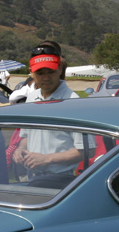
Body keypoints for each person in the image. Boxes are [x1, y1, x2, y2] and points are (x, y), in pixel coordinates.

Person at [10, 41, 86, 177]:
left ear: (60, 69)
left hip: (61, 179)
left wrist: (47, 159)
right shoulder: (32, 98)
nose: (46, 78)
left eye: (50, 72)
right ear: (32, 73)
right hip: (32, 176)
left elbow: (86, 150)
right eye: (40, 73)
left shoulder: (73, 102)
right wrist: (20, 149)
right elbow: (26, 136)